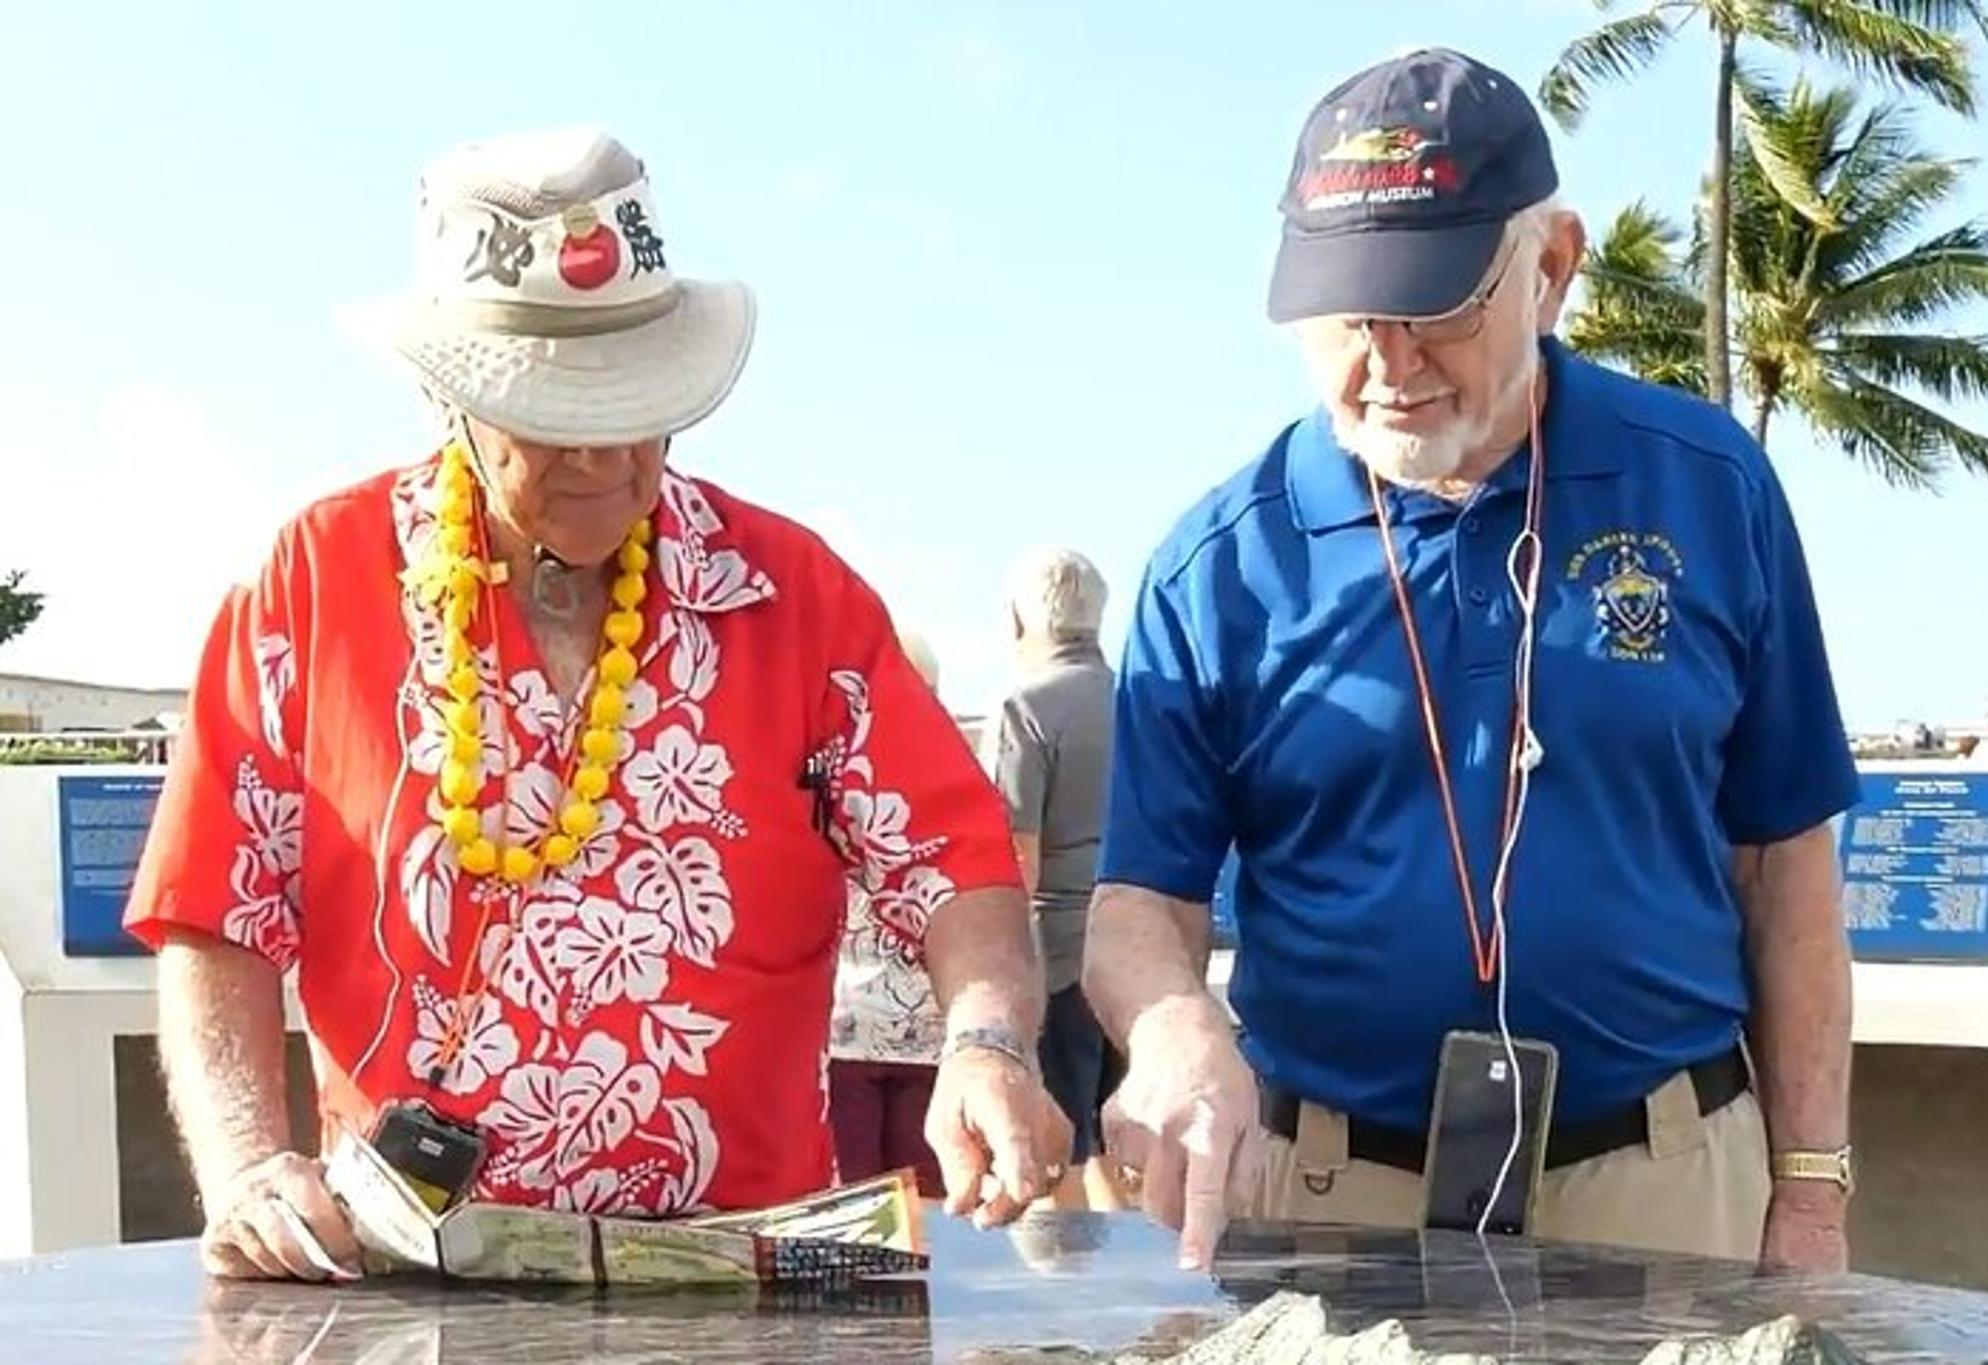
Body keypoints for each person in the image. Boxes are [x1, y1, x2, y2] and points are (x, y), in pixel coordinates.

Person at [124, 127, 1068, 1282]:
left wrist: (984, 1046)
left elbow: (953, 862)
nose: (609, 459)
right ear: (452, 398)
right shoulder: (312, 582)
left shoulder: (796, 593)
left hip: (740, 1277)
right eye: (556, 420)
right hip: (411, 1274)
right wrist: (244, 1168)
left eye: (641, 409)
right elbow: (217, 910)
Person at [1083, 50, 1860, 1274]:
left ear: (1550, 268)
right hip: (1332, 1197)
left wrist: (1810, 1187)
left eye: (1434, 305)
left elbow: (1783, 861)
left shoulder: (1710, 490)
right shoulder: (1216, 564)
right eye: (1344, 316)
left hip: (1658, 1181)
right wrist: (1173, 1023)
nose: (1386, 363)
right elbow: (1139, 903)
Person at [985, 549, 1121, 1210]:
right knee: (1123, 1148)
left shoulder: (1025, 706)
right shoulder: (1144, 698)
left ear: (1018, 619)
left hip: (1059, 951)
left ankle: (1073, 1308)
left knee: (1060, 1148)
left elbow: (1017, 851)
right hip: (1141, 948)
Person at [828, 629, 949, 1195]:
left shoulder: (828, 778)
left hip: (847, 1028)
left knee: (851, 1205)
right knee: (925, 1208)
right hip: (925, 1030)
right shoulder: (959, 786)